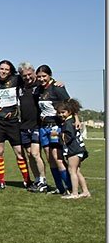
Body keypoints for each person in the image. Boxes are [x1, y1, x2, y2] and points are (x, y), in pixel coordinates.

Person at [0, 60, 32, 189]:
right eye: (2, 69)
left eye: (6, 69)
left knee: (19, 153)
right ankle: (1, 181)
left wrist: (55, 82)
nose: (4, 71)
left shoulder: (16, 79)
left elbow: (31, 78)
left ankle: (27, 180)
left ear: (10, 71)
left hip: (13, 122)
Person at [36, 64, 72, 195]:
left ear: (49, 75)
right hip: (43, 128)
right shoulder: (38, 89)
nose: (41, 79)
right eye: (39, 77)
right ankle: (59, 188)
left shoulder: (57, 88)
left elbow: (69, 104)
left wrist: (76, 119)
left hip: (55, 128)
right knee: (50, 159)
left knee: (58, 158)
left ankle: (69, 187)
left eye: (44, 76)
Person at [18, 62, 49, 192]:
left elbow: (50, 84)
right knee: (29, 154)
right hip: (24, 126)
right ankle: (36, 180)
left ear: (34, 73)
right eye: (24, 75)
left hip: (37, 124)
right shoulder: (19, 86)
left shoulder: (40, 85)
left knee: (36, 154)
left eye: (30, 74)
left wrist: (59, 82)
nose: (28, 77)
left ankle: (43, 180)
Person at [57, 99, 90, 199]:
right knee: (77, 171)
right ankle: (85, 192)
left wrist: (57, 135)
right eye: (59, 113)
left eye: (63, 112)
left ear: (69, 112)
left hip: (74, 150)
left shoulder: (68, 123)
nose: (60, 115)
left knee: (72, 170)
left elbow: (68, 137)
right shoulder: (71, 121)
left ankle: (74, 193)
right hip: (79, 149)